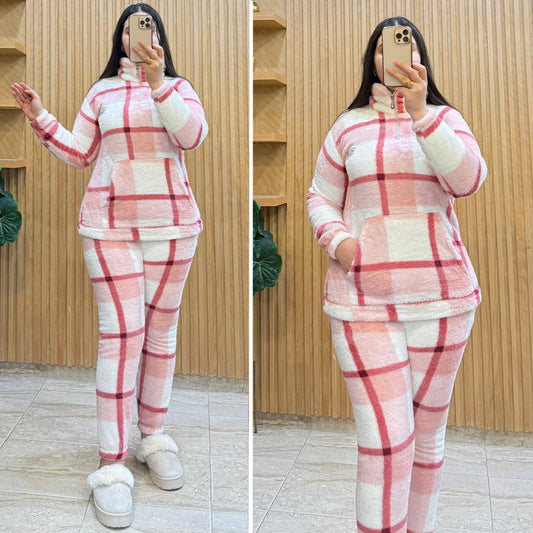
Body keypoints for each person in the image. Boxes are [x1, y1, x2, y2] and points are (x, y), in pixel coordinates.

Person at [11, 3, 207, 528]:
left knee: (160, 336)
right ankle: (111, 462)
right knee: (120, 338)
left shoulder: (179, 88)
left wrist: (159, 82)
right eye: (130, 28)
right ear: (119, 38)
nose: (138, 35)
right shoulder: (101, 93)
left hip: (173, 228)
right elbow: (81, 153)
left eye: (147, 26)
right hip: (108, 229)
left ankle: (154, 438)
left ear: (159, 37)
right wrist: (40, 115)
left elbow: (192, 136)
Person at [306, 16, 487, 533]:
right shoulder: (348, 125)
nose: (397, 57)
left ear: (420, 58)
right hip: (362, 302)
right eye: (387, 47)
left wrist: (423, 113)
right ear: (374, 59)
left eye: (407, 47)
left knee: (427, 440)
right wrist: (342, 245)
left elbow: (469, 180)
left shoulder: (445, 119)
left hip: (442, 301)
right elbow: (320, 197)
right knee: (386, 443)